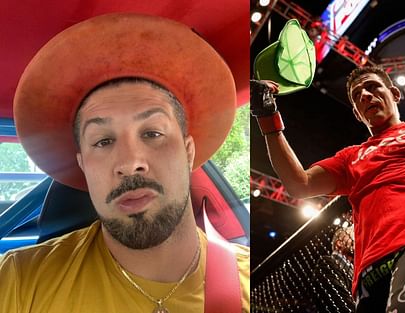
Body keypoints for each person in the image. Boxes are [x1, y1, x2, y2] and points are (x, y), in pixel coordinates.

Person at [0, 13, 249, 313]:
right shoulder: (19, 280)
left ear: (188, 152)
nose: (130, 163)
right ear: (83, 165)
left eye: (153, 133)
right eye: (103, 141)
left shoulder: (252, 281)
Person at [250, 66, 405, 312]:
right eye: (358, 95)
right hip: (368, 272)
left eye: (372, 87)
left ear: (394, 93)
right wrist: (267, 117)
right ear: (357, 114)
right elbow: (299, 184)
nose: (365, 96)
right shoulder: (349, 158)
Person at [312, 224, 355, 312]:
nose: (357, 239)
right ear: (340, 243)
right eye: (352, 236)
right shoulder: (327, 263)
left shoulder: (353, 268)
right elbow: (340, 303)